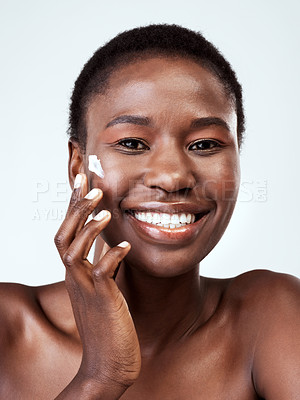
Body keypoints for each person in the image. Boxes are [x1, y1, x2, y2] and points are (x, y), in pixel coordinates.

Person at [0, 24, 299, 400]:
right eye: (131, 143)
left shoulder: (270, 315)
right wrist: (101, 377)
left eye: (205, 144)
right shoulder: (9, 328)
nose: (172, 177)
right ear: (78, 165)